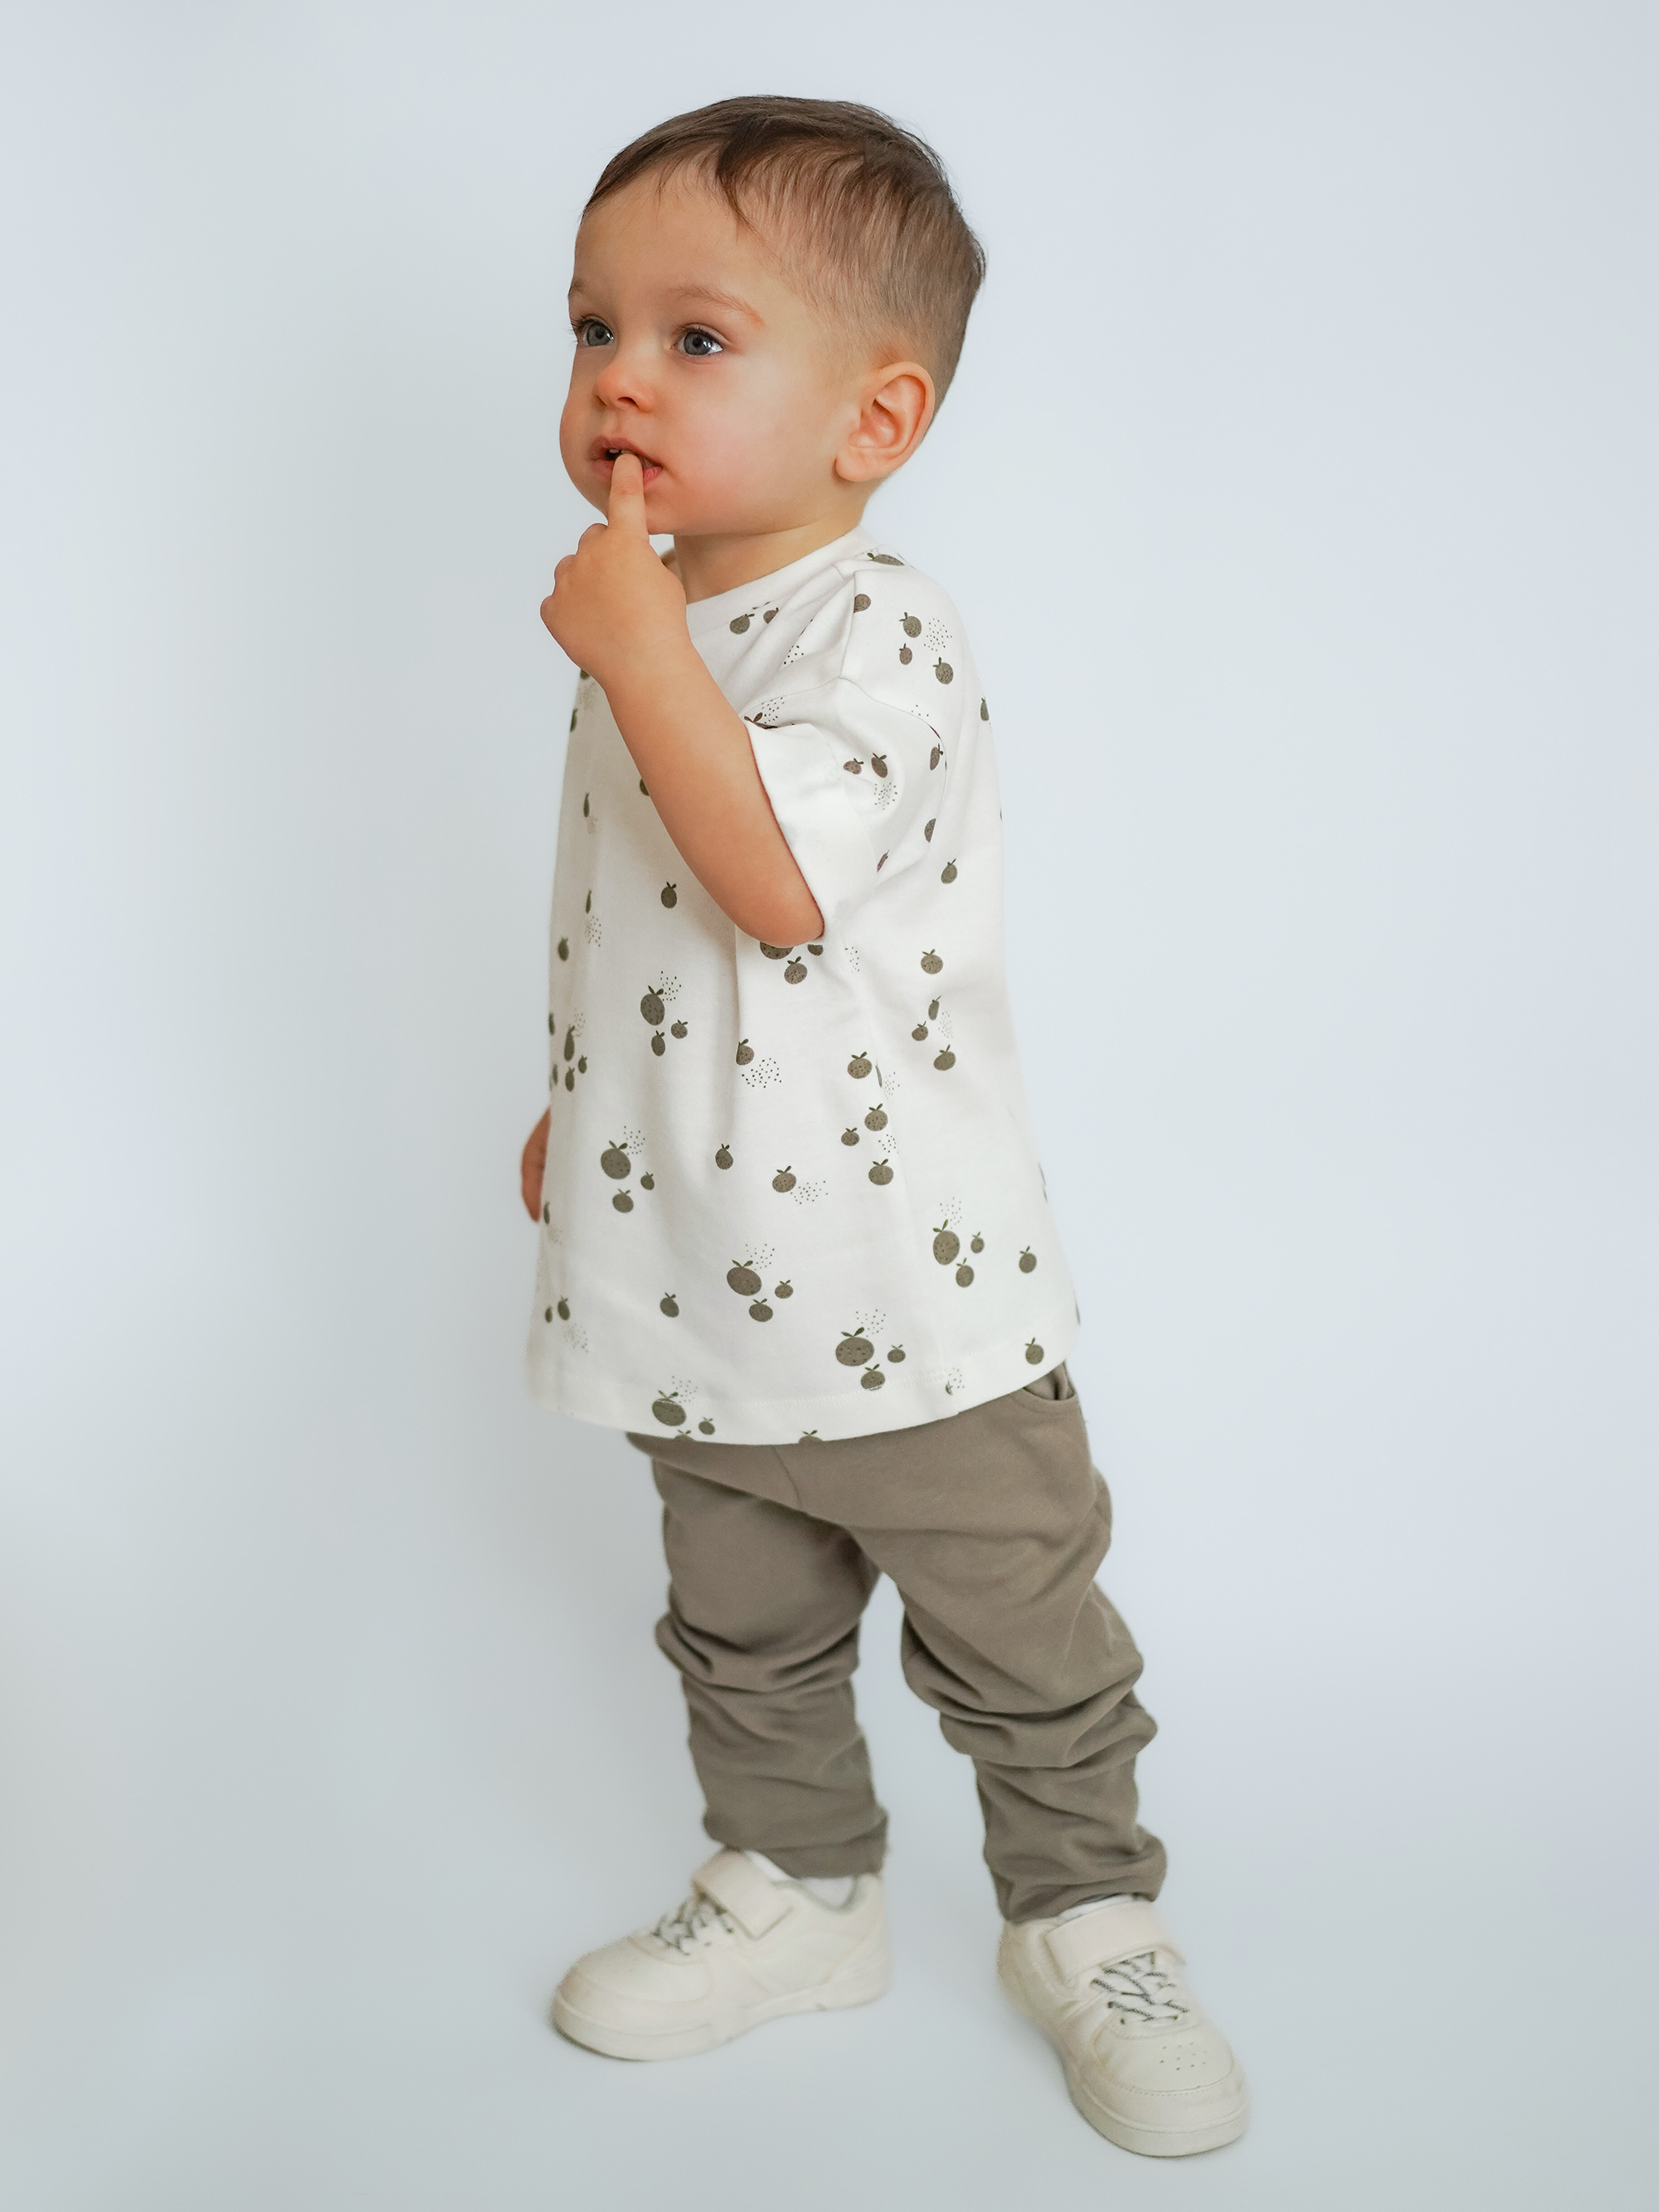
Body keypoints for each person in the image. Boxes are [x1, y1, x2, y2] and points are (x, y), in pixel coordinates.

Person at [521, 95, 1248, 2159]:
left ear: (877, 417)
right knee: (738, 1620)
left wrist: (636, 646)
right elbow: (639, 923)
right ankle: (800, 1889)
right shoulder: (655, 626)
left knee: (1021, 1627)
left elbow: (771, 883)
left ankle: (1086, 1910)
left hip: (900, 1288)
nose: (618, 379)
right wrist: (576, 1112)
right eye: (591, 328)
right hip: (691, 1264)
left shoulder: (879, 632)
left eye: (694, 337)